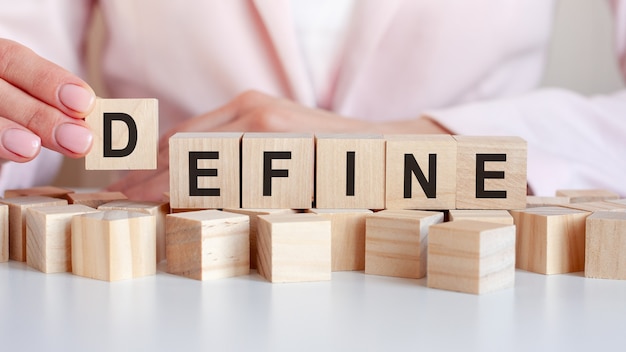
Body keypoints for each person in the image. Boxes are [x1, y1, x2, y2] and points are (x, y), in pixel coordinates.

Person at [0, 0, 624, 201]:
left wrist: (429, 147)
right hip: (159, 274)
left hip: (479, 277)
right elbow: (28, 60)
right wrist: (16, 129)